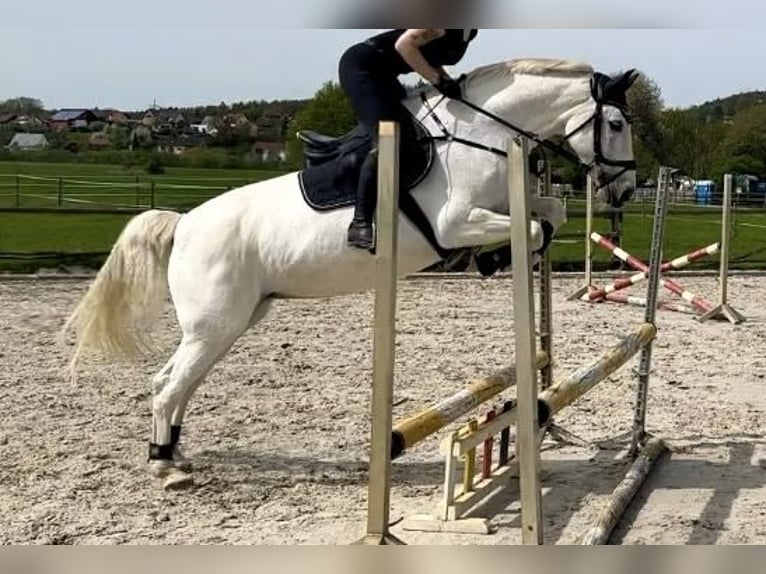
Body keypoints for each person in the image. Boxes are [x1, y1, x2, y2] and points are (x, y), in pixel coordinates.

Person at [339, 29, 479, 250]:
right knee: (388, 138)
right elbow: (404, 45)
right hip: (362, 68)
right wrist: (437, 81)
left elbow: (429, 55)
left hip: (385, 75)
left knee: (414, 134)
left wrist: (445, 80)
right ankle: (360, 222)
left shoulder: (469, 32)